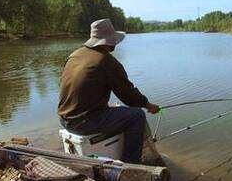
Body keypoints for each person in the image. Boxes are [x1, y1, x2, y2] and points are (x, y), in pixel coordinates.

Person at [58, 18, 160, 163]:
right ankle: (132, 164)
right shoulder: (105, 61)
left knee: (120, 111)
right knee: (137, 116)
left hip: (64, 120)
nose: (115, 43)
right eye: (113, 40)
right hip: (83, 123)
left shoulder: (74, 55)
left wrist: (102, 108)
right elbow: (129, 96)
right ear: (108, 42)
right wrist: (149, 105)